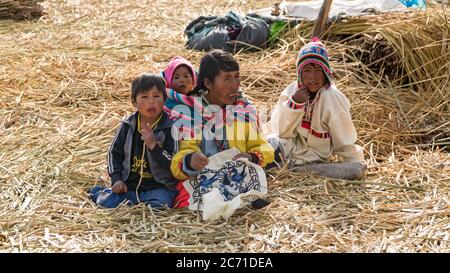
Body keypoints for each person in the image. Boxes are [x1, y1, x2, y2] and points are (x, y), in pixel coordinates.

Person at [170, 49, 275, 208]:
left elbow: (262, 146)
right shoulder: (191, 113)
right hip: (204, 178)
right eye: (226, 78)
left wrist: (252, 156)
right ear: (207, 83)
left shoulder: (243, 111)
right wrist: (190, 160)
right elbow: (177, 160)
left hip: (237, 174)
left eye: (236, 77)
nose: (234, 85)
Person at [269, 37, 365, 176]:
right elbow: (280, 130)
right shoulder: (292, 91)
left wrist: (353, 162)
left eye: (318, 70)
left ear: (326, 72)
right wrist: (294, 103)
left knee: (353, 169)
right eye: (307, 70)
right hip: (291, 148)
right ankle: (288, 169)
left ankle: (295, 170)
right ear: (300, 73)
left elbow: (344, 138)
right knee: (268, 147)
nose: (312, 77)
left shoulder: (332, 97)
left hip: (315, 157)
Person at [89, 74, 178, 208]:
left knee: (161, 205)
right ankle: (99, 193)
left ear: (164, 99)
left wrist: (154, 146)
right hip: (128, 187)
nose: (151, 101)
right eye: (144, 97)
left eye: (156, 96)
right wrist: (116, 180)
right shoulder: (127, 125)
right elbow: (114, 154)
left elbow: (173, 164)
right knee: (109, 203)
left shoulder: (170, 128)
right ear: (134, 102)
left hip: (157, 187)